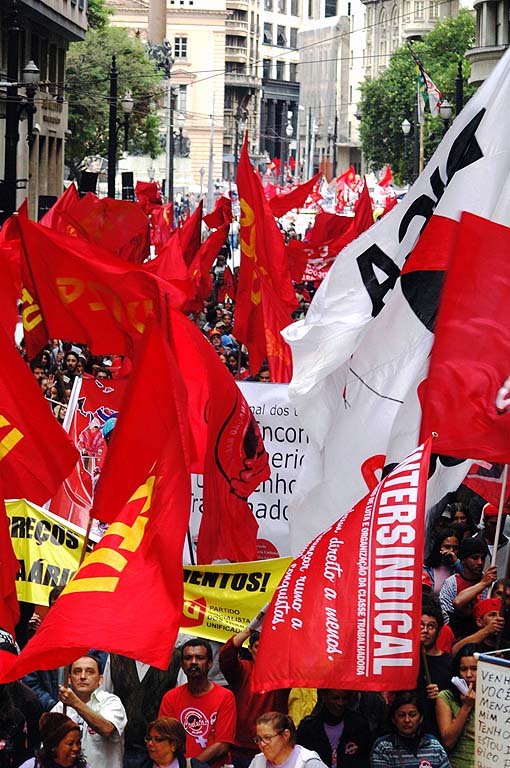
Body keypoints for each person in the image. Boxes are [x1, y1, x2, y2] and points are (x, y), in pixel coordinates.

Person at [158, 639, 236, 768]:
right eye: (188, 658)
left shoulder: (225, 696)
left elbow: (222, 745)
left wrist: (190, 765)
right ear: (182, 665)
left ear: (210, 663)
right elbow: (163, 738)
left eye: (199, 658)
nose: (193, 662)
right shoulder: (170, 697)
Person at [219, 628, 288, 768]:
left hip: (272, 749)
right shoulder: (243, 669)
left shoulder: (283, 674)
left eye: (267, 646)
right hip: (239, 750)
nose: (262, 650)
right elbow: (226, 656)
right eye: (258, 646)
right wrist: (248, 631)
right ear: (250, 649)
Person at [51, 653, 127, 768]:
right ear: (69, 679)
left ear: (100, 679)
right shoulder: (60, 708)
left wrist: (75, 703)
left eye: (90, 671)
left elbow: (107, 729)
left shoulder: (111, 702)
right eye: (77, 671)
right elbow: (48, 748)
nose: (82, 676)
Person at [370, 692, 450, 767]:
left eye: (412, 715)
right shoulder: (383, 747)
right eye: (401, 715)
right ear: (393, 719)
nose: (407, 720)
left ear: (421, 718)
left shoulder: (433, 744)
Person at [297, 689, 371, 766]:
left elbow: (364, 758)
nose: (340, 703)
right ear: (324, 696)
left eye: (344, 698)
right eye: (335, 698)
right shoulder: (308, 727)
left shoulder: (359, 725)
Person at [439, 537, 495, 636]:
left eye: (483, 558)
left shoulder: (490, 585)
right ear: (464, 560)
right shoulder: (451, 583)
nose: (480, 562)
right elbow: (446, 615)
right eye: (475, 558)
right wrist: (482, 583)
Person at [436, 645, 479, 768]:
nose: (469, 674)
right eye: (463, 669)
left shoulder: (496, 698)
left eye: (474, 669)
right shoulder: (446, 697)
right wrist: (466, 707)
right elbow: (448, 741)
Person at [416, 597, 453, 737]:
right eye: (421, 625)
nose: (425, 630)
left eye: (431, 626)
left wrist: (440, 696)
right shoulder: (406, 659)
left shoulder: (449, 663)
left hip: (435, 730)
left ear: (438, 631)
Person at [250, 712, 326, 768]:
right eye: (259, 739)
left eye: (267, 738)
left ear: (286, 735)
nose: (262, 744)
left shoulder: (308, 763)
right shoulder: (258, 762)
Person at [18, 712, 88, 768]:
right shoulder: (32, 765)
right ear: (53, 746)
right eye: (70, 743)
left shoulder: (84, 766)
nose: (76, 748)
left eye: (78, 742)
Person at [144, 717, 208, 768]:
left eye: (157, 739)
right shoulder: (139, 765)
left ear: (173, 744)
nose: (150, 743)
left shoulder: (194, 766)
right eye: (149, 738)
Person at [424, 528, 462, 595]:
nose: (451, 551)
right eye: (447, 547)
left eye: (455, 548)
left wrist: (455, 563)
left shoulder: (458, 568)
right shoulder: (426, 568)